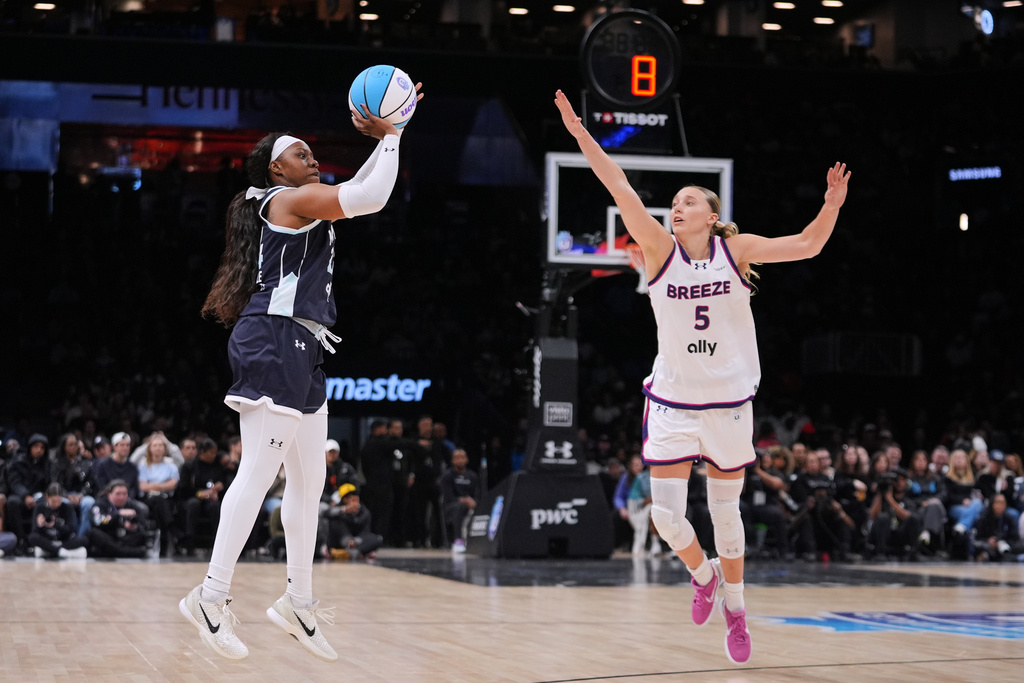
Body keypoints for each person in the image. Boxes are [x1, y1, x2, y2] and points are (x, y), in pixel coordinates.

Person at [555, 89, 850, 666]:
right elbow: (617, 186)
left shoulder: (735, 251)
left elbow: (808, 245)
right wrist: (580, 134)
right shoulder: (659, 249)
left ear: (711, 215)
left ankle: (737, 613)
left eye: (689, 200)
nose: (677, 206)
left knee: (726, 516)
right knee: (666, 516)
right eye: (675, 199)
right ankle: (703, 573)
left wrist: (832, 204)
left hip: (729, 405)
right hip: (673, 400)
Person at [179, 82, 422, 663]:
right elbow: (370, 199)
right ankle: (210, 596)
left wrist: (392, 133)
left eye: (312, 150)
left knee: (310, 484)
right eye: (298, 152)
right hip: (273, 338)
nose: (310, 155)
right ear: (273, 169)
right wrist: (392, 133)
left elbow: (363, 188)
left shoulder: (298, 198)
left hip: (305, 345)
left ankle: (298, 601)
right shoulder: (282, 202)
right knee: (260, 472)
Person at [137, 432, 179, 557]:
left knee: (160, 505)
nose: (158, 448)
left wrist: (153, 485)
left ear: (165, 449)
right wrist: (163, 485)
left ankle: (163, 538)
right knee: (159, 500)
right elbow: (143, 487)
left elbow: (173, 485)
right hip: (149, 499)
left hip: (167, 500)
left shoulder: (171, 465)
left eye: (161, 445)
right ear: (149, 448)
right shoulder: (144, 465)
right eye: (155, 445)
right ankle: (172, 529)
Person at [86, 479, 149, 559]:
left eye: (124, 494)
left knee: (141, 535)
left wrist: (133, 527)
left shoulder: (132, 505)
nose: (121, 497)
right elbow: (98, 521)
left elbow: (143, 524)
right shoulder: (100, 504)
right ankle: (127, 552)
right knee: (93, 533)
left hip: (124, 538)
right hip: (108, 536)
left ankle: (122, 551)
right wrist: (117, 515)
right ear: (109, 494)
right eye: (118, 494)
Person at [29, 483, 89, 559]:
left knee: (84, 539)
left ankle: (53, 551)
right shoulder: (40, 507)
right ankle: (60, 552)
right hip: (47, 540)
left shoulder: (66, 507)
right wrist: (39, 525)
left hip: (63, 541)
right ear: (47, 497)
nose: (56, 504)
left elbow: (71, 530)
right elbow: (34, 531)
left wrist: (57, 525)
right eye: (54, 501)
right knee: (32, 537)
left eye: (59, 501)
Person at [326, 483, 383, 560]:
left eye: (355, 497)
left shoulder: (364, 512)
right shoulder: (338, 511)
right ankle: (357, 552)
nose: (354, 501)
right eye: (350, 498)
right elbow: (327, 513)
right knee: (334, 522)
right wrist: (344, 510)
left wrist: (355, 541)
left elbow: (365, 532)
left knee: (377, 539)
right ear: (344, 499)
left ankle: (351, 553)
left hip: (356, 541)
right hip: (341, 541)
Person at [439, 447, 479, 552]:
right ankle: (458, 540)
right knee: (459, 507)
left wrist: (473, 501)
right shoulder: (447, 476)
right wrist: (465, 500)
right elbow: (449, 496)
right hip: (452, 505)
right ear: (453, 461)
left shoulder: (473, 476)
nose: (460, 460)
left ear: (467, 459)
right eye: (457, 458)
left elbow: (478, 494)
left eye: (462, 457)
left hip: (470, 504)